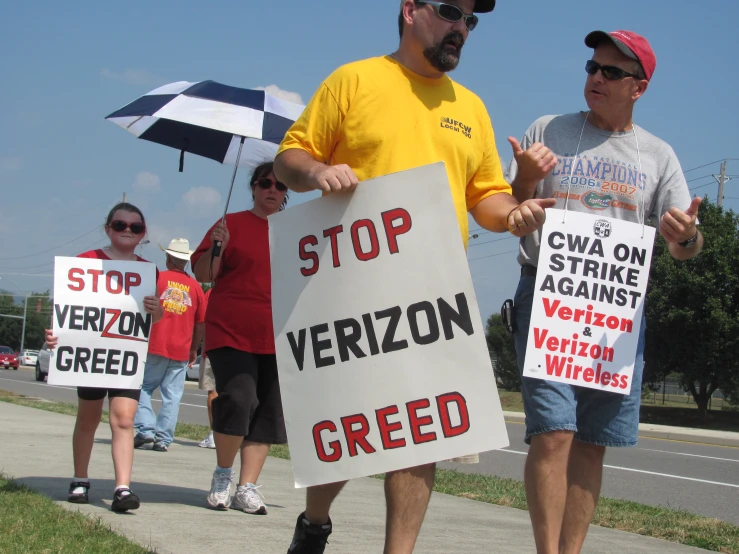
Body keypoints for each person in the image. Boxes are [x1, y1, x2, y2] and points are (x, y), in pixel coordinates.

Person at [274, 1, 556, 551]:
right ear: (410, 10)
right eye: (451, 11)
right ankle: (314, 524)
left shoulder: (470, 108)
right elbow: (290, 157)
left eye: (471, 21)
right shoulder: (354, 81)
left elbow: (488, 200)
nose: (461, 29)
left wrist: (517, 206)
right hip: (347, 290)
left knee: (421, 433)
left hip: (431, 293)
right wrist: (317, 170)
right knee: (348, 429)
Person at [507, 30, 703, 554]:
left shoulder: (658, 155)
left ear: (638, 87)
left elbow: (686, 244)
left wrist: (684, 237)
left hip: (616, 312)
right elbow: (512, 212)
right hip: (548, 298)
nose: (596, 78)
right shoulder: (547, 130)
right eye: (593, 67)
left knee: (592, 444)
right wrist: (524, 182)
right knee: (553, 433)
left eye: (611, 72)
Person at [45, 202, 164, 512]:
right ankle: (80, 479)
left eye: (135, 227)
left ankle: (122, 488)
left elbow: (155, 318)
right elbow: (69, 313)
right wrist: (56, 335)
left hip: (126, 357)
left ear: (143, 234)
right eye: (120, 225)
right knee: (88, 418)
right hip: (90, 356)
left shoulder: (149, 270)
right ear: (108, 228)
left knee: (124, 419)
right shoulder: (86, 262)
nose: (127, 231)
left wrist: (157, 310)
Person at [191, 161, 289, 515]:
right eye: (265, 183)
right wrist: (217, 246)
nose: (272, 190)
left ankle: (247, 488)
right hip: (231, 330)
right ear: (252, 187)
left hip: (278, 333)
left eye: (279, 186)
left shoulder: (294, 230)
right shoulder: (229, 224)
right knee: (239, 398)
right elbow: (205, 274)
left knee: (266, 410)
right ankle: (222, 474)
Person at [133, 238, 206, 452]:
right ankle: (163, 438)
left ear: (167, 258)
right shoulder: (195, 287)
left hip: (156, 343)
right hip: (181, 348)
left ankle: (146, 429)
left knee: (142, 387)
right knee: (172, 395)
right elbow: (200, 323)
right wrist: (194, 348)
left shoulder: (158, 280)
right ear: (185, 261)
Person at [197, 287, 218, 449]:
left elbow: (201, 320)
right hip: (240, 349)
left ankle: (214, 434)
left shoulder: (211, 293)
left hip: (214, 345)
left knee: (213, 392)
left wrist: (194, 345)